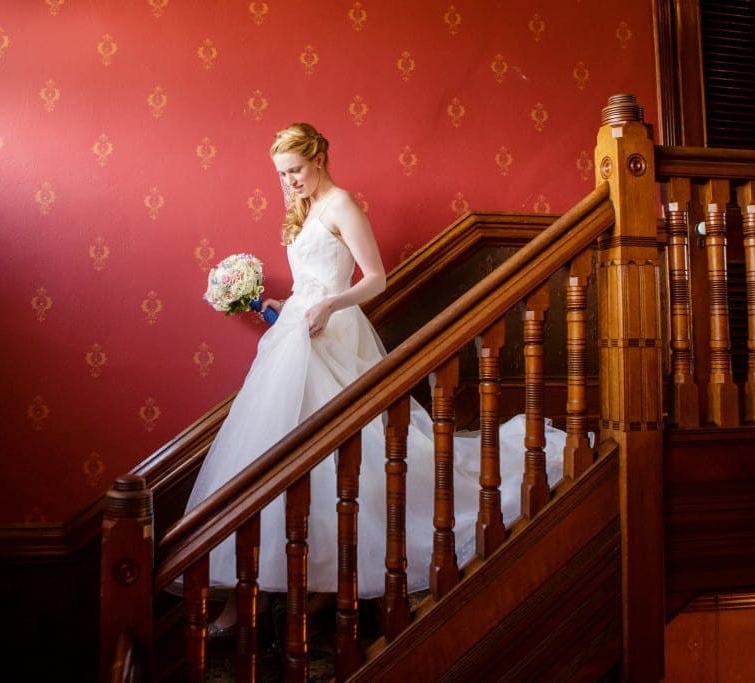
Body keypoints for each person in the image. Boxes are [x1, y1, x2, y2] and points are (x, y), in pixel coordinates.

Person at [185, 123, 568, 636]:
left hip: (333, 334)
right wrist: (287, 301)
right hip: (297, 334)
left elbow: (376, 279)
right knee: (276, 459)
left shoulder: (341, 204)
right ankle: (258, 599)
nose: (289, 181)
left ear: (319, 158)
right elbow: (308, 281)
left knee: (346, 457)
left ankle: (323, 590)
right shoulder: (304, 209)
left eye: (295, 170)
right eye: (281, 174)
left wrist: (329, 304)